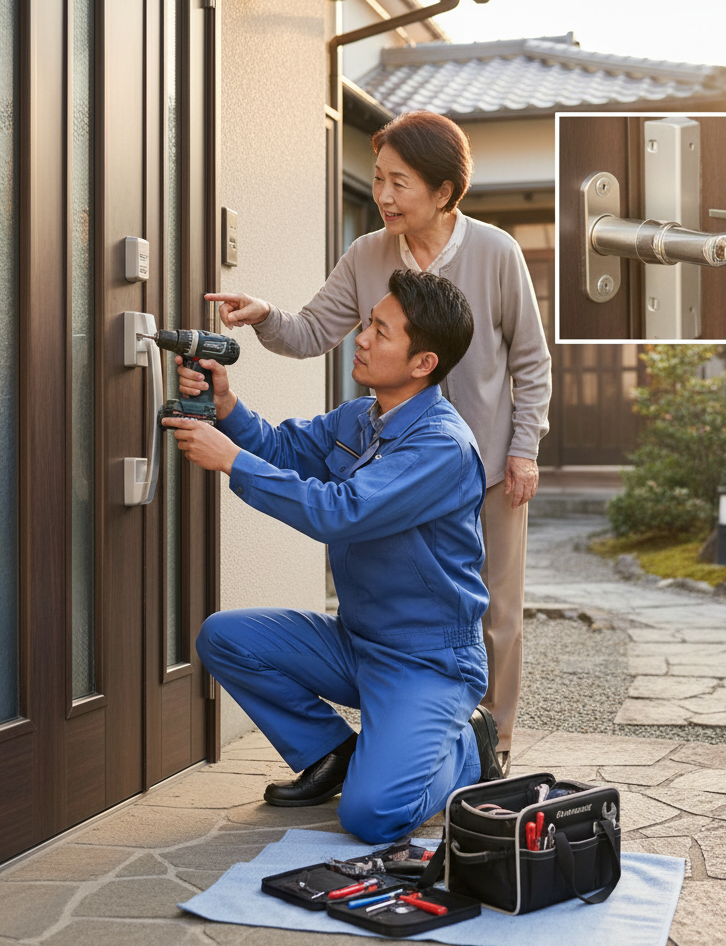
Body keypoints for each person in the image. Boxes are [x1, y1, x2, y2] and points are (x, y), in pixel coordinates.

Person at [204, 111, 551, 775]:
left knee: (494, 609)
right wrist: (263, 317)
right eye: (379, 179)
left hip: (485, 461)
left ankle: (491, 742)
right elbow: (311, 332)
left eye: (400, 182)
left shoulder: (496, 252)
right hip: (393, 462)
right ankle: (396, 720)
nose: (384, 196)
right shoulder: (367, 254)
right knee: (393, 588)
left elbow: (531, 361)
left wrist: (524, 446)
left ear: (445, 192)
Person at [163, 270, 503, 844]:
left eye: (381, 332)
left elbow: (340, 510)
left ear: (423, 363)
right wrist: (228, 408)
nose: (362, 339)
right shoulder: (361, 417)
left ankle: (468, 744)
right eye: (368, 323)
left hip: (427, 661)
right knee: (225, 637)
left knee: (372, 818)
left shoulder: (441, 446)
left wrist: (229, 461)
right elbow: (285, 449)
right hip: (357, 642)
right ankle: (332, 752)